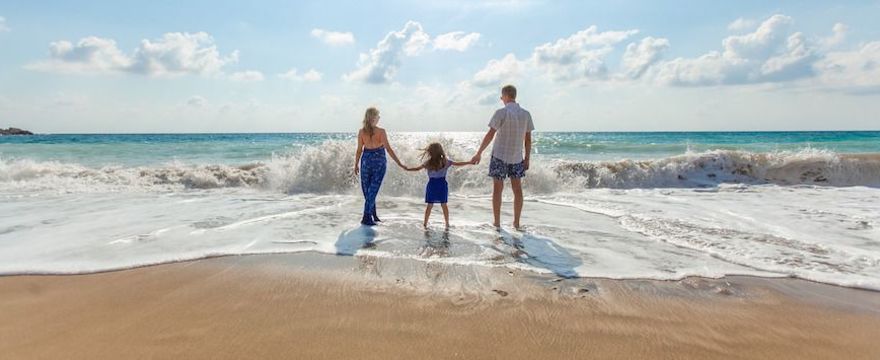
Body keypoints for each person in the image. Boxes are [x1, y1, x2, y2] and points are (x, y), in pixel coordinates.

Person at [470, 85, 534, 229]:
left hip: (499, 155)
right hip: (517, 157)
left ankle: (497, 223)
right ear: (514, 96)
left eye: (501, 97)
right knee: (517, 190)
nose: (501, 99)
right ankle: (516, 223)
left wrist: (479, 152)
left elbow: (490, 134)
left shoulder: (501, 112)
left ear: (505, 96)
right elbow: (528, 139)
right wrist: (527, 158)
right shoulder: (526, 114)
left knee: (497, 190)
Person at [353, 107, 404, 226]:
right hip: (378, 161)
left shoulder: (362, 131)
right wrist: (399, 163)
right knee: (371, 190)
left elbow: (359, 150)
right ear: (373, 117)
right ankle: (366, 217)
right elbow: (389, 149)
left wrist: (356, 164)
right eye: (378, 116)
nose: (379, 118)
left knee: (369, 190)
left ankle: (373, 215)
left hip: (366, 160)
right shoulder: (381, 131)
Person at [404, 142, 474, 229]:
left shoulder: (428, 163)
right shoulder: (445, 162)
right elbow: (458, 163)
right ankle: (447, 224)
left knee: (429, 205)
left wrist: (407, 169)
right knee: (444, 205)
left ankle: (425, 224)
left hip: (432, 185)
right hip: (442, 185)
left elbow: (417, 169)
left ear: (430, 152)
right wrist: (470, 162)